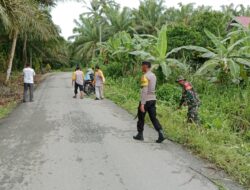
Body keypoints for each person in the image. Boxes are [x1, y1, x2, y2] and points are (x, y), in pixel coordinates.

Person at [133, 61, 165, 143]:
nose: (141, 68)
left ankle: (140, 134)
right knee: (153, 118)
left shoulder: (145, 76)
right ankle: (160, 132)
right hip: (153, 99)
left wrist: (142, 104)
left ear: (145, 66)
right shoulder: (153, 76)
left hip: (146, 100)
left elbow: (145, 90)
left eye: (142, 66)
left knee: (141, 117)